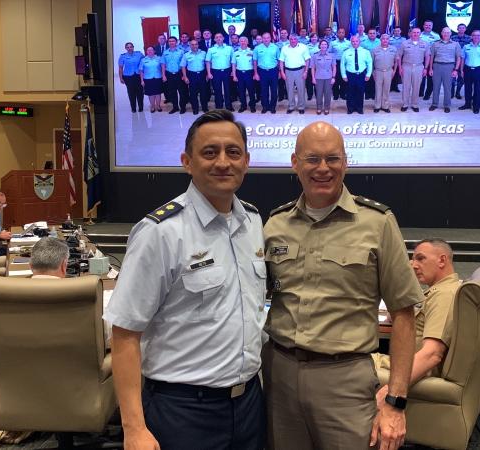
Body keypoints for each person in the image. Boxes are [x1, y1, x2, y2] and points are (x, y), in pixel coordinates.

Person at [105, 110, 266, 450]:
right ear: (187, 162)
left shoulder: (252, 222)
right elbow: (124, 333)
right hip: (183, 410)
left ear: (246, 161)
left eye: (233, 152)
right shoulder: (161, 232)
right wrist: (133, 428)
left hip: (249, 403)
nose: (223, 162)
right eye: (210, 152)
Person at [263, 122, 421, 450]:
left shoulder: (377, 223)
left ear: (346, 162)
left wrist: (395, 403)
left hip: (344, 380)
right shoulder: (275, 225)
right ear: (295, 163)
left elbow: (404, 314)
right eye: (312, 159)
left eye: (332, 159)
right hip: (280, 376)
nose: (323, 168)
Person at [373, 239, 461, 388]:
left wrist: (392, 393)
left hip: (411, 370)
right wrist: (405, 281)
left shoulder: (444, 295)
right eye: (413, 260)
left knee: (340, 364)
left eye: (420, 258)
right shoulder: (437, 290)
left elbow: (432, 355)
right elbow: (393, 318)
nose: (413, 265)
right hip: (403, 363)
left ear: (442, 260)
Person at [428, 27, 462, 113]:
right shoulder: (435, 44)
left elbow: (458, 58)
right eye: (444, 32)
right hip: (437, 66)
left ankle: (447, 105)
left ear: (450, 34)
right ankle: (434, 104)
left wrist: (456, 70)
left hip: (449, 67)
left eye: (448, 32)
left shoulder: (456, 44)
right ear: (441, 33)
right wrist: (430, 68)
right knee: (436, 86)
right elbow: (431, 57)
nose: (446, 34)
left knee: (447, 87)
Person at [459, 30, 480, 114]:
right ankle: (467, 104)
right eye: (474, 35)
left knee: (478, 89)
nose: (476, 37)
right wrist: (461, 70)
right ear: (471, 36)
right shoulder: (466, 46)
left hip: (479, 70)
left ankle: (476, 107)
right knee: (467, 88)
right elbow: (463, 59)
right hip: (467, 69)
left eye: (478, 35)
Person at [397, 28, 430, 113]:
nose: (415, 34)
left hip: (419, 67)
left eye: (417, 32)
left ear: (420, 34)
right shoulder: (404, 43)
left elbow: (427, 57)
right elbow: (399, 56)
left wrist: (425, 68)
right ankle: (405, 104)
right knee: (406, 86)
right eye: (414, 32)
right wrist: (400, 68)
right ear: (410, 33)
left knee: (416, 86)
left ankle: (414, 104)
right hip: (406, 66)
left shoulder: (425, 44)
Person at [278, 34, 311, 114]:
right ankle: (291, 106)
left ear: (297, 39)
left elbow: (307, 60)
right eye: (291, 39)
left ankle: (301, 106)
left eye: (294, 39)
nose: (293, 40)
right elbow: (281, 61)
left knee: (301, 89)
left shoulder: (303, 47)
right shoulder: (284, 48)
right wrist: (282, 72)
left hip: (300, 70)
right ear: (289, 39)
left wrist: (306, 72)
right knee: (289, 90)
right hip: (288, 71)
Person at [341, 35, 373, 115]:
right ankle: (350, 108)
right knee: (350, 92)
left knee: (360, 92)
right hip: (350, 75)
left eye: (356, 41)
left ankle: (359, 108)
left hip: (361, 75)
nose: (355, 43)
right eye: (353, 41)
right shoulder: (346, 52)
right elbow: (342, 64)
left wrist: (368, 74)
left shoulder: (366, 52)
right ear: (351, 42)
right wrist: (344, 75)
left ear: (359, 42)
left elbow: (369, 63)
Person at [253, 32, 280, 114]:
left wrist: (279, 72)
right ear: (262, 39)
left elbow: (279, 61)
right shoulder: (257, 48)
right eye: (264, 38)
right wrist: (255, 73)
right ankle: (265, 106)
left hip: (273, 71)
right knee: (263, 90)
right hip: (262, 71)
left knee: (274, 90)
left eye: (267, 37)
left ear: (270, 38)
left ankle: (272, 107)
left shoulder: (275, 47)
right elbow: (255, 61)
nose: (266, 39)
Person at [206, 33, 234, 111]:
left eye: (220, 37)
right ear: (214, 39)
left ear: (223, 38)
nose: (218, 38)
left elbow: (233, 61)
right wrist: (209, 73)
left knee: (228, 89)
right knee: (217, 89)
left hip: (227, 71)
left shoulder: (229, 48)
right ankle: (219, 105)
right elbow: (208, 62)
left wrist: (232, 71)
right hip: (215, 71)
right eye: (217, 37)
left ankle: (229, 105)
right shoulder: (211, 49)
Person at [161, 36, 188, 114]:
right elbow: (163, 64)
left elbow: (184, 65)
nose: (171, 42)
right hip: (169, 74)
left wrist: (184, 75)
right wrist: (163, 75)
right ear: (168, 43)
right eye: (170, 41)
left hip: (179, 74)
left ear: (176, 42)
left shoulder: (181, 51)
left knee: (182, 92)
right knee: (172, 92)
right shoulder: (165, 52)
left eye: (173, 41)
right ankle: (175, 107)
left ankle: (183, 107)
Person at [371, 33, 398, 113]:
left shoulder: (393, 49)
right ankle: (377, 106)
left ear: (389, 40)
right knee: (378, 89)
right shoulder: (375, 50)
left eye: (387, 39)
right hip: (378, 71)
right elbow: (371, 62)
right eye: (383, 39)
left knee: (386, 89)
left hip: (389, 71)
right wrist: (373, 72)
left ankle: (385, 106)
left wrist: (394, 71)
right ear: (380, 40)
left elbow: (396, 61)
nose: (385, 40)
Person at [181, 39, 209, 115]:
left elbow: (207, 64)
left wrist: (207, 74)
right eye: (192, 44)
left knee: (204, 92)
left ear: (198, 45)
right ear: (190, 46)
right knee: (193, 93)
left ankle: (204, 107)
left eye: (196, 44)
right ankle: (195, 109)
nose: (194, 46)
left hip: (202, 74)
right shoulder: (186, 54)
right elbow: (183, 66)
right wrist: (185, 77)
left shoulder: (203, 53)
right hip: (191, 75)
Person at [311, 39, 336, 115]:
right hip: (318, 77)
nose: (323, 46)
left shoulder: (331, 55)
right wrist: (313, 78)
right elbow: (313, 68)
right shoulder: (315, 56)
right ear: (319, 46)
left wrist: (333, 77)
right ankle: (319, 108)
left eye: (325, 44)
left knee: (328, 94)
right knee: (319, 94)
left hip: (328, 77)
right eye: (322, 44)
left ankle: (326, 108)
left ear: (327, 46)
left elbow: (334, 67)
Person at [118, 42, 144, 113]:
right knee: (131, 92)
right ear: (126, 48)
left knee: (140, 92)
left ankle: (141, 107)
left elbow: (144, 62)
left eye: (131, 47)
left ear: (133, 47)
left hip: (138, 76)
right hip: (128, 77)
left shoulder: (139, 54)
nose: (129, 48)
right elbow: (120, 68)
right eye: (128, 47)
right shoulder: (123, 56)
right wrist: (121, 78)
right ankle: (133, 108)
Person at [232, 37, 256, 113]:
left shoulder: (252, 52)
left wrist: (255, 74)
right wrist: (234, 75)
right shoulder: (235, 52)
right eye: (241, 41)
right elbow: (233, 64)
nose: (243, 42)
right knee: (241, 91)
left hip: (249, 73)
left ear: (247, 42)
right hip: (239, 73)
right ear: (239, 42)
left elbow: (255, 63)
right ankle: (243, 106)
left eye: (244, 41)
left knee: (251, 90)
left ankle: (252, 106)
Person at [418, 20, 440, 101]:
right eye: (426, 25)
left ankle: (427, 94)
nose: (428, 27)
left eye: (429, 25)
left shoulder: (436, 36)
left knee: (431, 77)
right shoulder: (419, 35)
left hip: (432, 59)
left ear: (432, 26)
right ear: (423, 26)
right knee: (421, 76)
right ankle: (420, 92)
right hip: (421, 58)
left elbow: (438, 48)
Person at [450, 24, 471, 99]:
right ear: (457, 29)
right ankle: (451, 92)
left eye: (463, 28)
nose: (461, 29)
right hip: (453, 60)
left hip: (463, 61)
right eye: (460, 28)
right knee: (452, 78)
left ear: (465, 29)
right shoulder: (452, 38)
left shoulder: (469, 38)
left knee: (461, 78)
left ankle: (458, 92)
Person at [140, 46, 163, 113]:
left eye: (151, 50)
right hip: (148, 79)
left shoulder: (159, 58)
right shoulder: (143, 60)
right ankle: (152, 106)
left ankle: (158, 106)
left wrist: (163, 75)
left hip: (158, 78)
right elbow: (141, 71)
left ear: (154, 51)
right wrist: (142, 80)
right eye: (148, 50)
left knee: (158, 93)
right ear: (146, 52)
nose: (150, 51)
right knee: (151, 94)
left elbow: (163, 67)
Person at [330, 28, 351, 100]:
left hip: (345, 63)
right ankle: (335, 94)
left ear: (345, 34)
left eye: (342, 32)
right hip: (336, 63)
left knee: (344, 78)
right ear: (337, 34)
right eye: (339, 32)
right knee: (335, 78)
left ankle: (343, 94)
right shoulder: (333, 43)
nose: (341, 34)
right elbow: (330, 53)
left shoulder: (348, 43)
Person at [361, 29, 380, 100]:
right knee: (367, 78)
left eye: (373, 33)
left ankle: (373, 94)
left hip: (377, 63)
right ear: (367, 34)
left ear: (376, 34)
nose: (372, 35)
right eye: (370, 33)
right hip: (366, 64)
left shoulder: (379, 42)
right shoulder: (363, 43)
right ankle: (367, 94)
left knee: (376, 79)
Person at [389, 27, 406, 92]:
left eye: (398, 31)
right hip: (391, 57)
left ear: (400, 31)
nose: (396, 32)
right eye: (395, 31)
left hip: (400, 58)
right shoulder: (390, 39)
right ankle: (390, 86)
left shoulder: (404, 39)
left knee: (397, 73)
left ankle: (395, 86)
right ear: (393, 31)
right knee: (391, 72)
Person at [306, 33, 321, 101]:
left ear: (317, 38)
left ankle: (317, 95)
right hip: (309, 67)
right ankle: (310, 95)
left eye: (315, 37)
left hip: (318, 67)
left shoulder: (320, 46)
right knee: (309, 82)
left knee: (317, 82)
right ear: (310, 38)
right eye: (312, 37)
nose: (314, 38)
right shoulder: (307, 46)